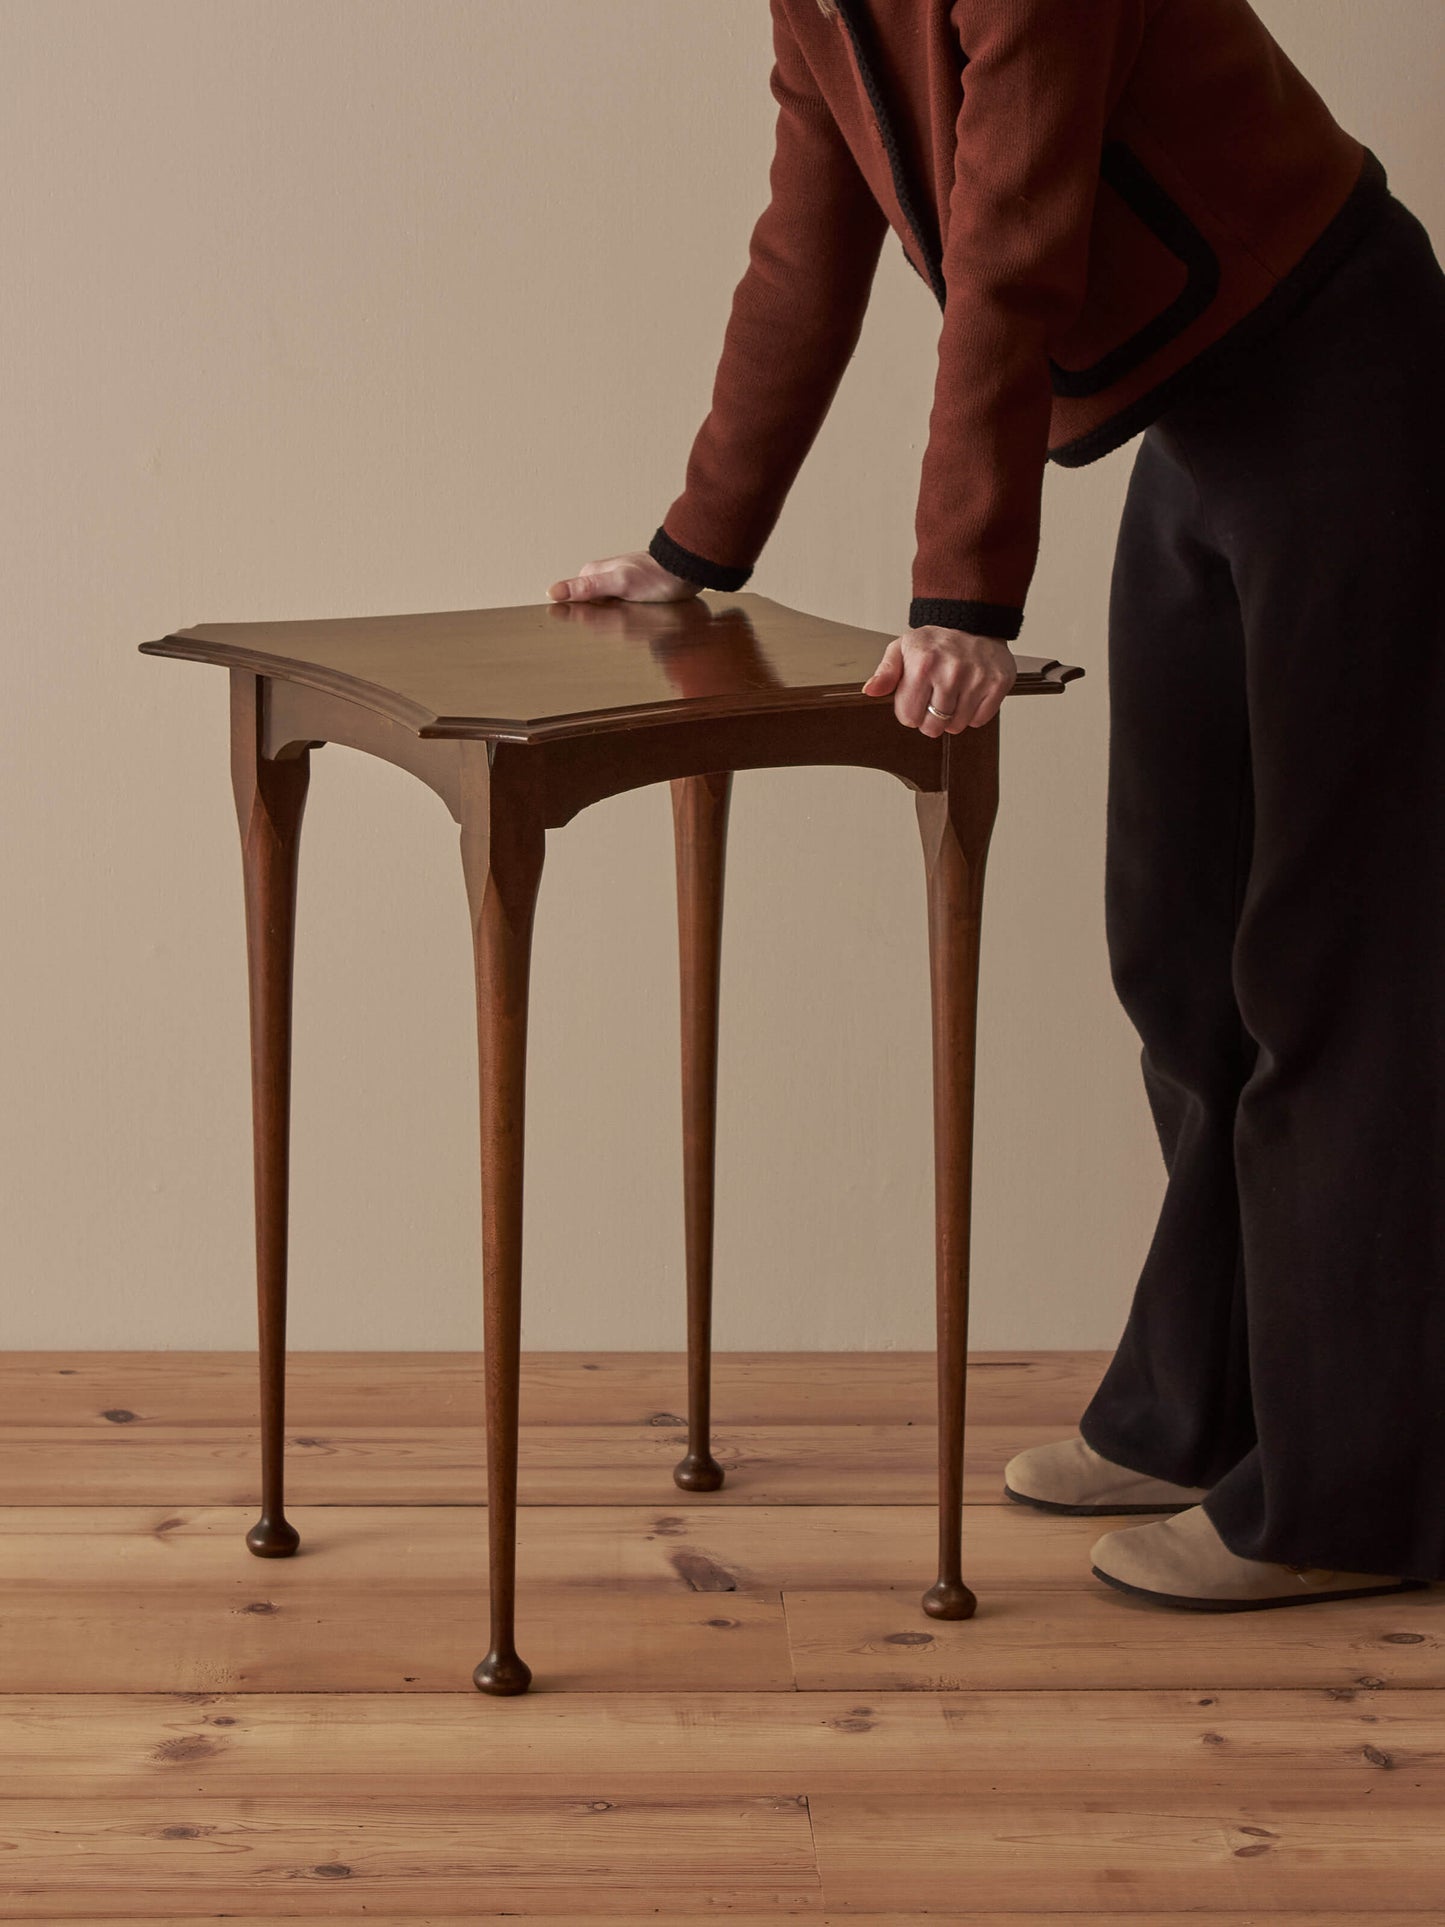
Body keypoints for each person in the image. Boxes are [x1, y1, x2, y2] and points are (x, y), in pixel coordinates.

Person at [546, 0, 1445, 1611]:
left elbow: (1012, 236)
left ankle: (1348, 1494)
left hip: (1345, 379)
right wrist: (698, 548)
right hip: (1205, 417)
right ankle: (1198, 1410)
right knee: (1172, 946)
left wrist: (962, 593)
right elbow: (806, 237)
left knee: (1332, 964)